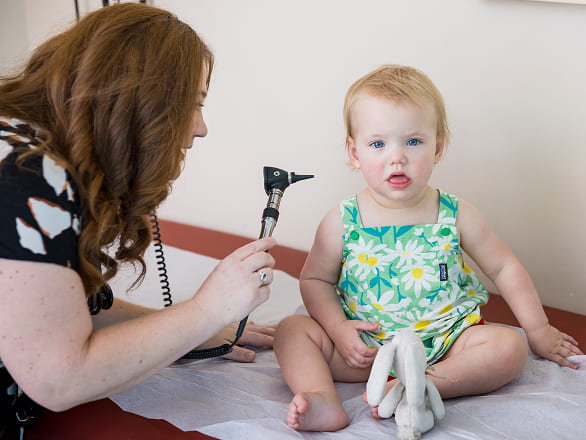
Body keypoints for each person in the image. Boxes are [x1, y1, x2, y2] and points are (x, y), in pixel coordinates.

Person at [0, 3, 277, 437]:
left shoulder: (21, 148)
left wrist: (198, 330)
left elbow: (67, 308)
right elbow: (58, 377)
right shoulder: (28, 176)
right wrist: (207, 310)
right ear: (141, 100)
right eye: (194, 104)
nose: (200, 128)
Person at [273, 64, 583, 432]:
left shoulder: (455, 213)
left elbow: (504, 268)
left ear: (439, 146)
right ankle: (322, 398)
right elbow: (315, 280)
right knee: (291, 330)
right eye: (378, 144)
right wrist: (339, 330)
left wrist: (539, 329)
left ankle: (421, 386)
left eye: (413, 141)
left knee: (509, 347)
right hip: (367, 349)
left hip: (448, 343)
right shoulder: (342, 220)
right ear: (354, 152)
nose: (397, 157)